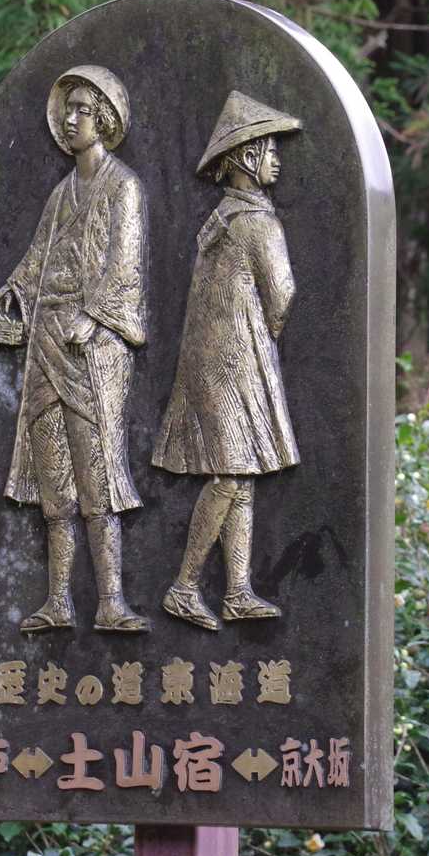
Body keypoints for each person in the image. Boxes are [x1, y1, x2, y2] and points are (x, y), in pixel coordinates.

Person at [0, 66, 149, 633]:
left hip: (94, 350)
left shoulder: (123, 187)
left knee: (95, 474)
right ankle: (59, 599)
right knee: (54, 480)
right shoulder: (61, 194)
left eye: (82, 109)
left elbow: (125, 266)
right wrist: (15, 287)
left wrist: (93, 316)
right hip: (47, 343)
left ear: (103, 118)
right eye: (68, 110)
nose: (71, 118)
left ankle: (111, 601)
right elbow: (38, 258)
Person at [152, 91, 302, 630]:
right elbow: (282, 294)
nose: (277, 160)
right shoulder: (258, 222)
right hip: (237, 363)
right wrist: (268, 335)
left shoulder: (219, 220)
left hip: (213, 363)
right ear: (245, 157)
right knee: (229, 475)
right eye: (268, 150)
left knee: (241, 477)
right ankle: (184, 587)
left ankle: (237, 590)